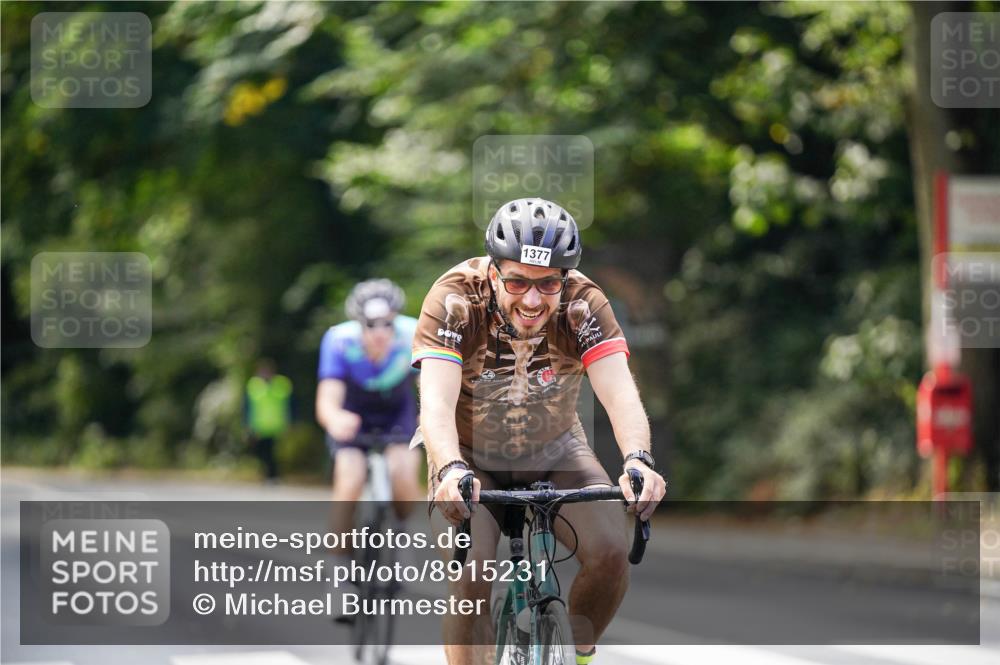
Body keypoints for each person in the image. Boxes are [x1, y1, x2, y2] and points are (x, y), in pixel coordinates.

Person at [411, 198, 667, 665]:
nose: (532, 300)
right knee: (472, 575)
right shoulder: (454, 299)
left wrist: (637, 459)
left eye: (548, 283)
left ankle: (578, 654)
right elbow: (437, 400)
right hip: (467, 455)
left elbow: (619, 391)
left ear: (564, 278)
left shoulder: (583, 304)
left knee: (611, 551)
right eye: (517, 282)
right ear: (493, 273)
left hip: (555, 449)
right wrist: (448, 466)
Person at [315, 279, 424, 578]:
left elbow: (426, 387)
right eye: (371, 325)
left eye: (387, 324)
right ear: (358, 323)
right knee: (349, 481)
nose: (380, 333)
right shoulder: (338, 340)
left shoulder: (412, 333)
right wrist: (335, 418)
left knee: (403, 474)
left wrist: (428, 416)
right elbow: (327, 400)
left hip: (396, 411)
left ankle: (401, 532)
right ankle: (338, 568)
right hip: (354, 413)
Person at [244, 358, 292, 482]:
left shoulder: (281, 384)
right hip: (259, 427)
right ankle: (269, 475)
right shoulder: (254, 385)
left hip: (276, 426)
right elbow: (247, 407)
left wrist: (289, 422)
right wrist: (248, 424)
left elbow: (289, 405)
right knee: (261, 452)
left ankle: (273, 476)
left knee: (271, 453)